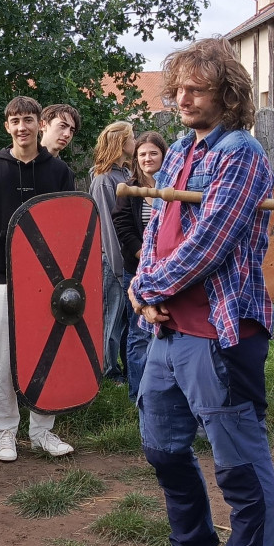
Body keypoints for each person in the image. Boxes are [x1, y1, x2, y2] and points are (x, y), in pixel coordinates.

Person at [126, 38, 274, 546]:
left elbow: (209, 243)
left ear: (228, 95)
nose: (184, 99)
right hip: (167, 331)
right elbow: (156, 227)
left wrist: (150, 288)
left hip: (219, 330)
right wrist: (144, 291)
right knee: (162, 446)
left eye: (198, 89)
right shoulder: (179, 152)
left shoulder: (241, 155)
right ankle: (192, 544)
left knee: (239, 464)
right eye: (179, 89)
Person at [0, 97, 77, 463]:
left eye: (28, 119)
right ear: (7, 126)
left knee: (47, 355)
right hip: (4, 278)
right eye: (15, 121)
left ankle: (41, 431)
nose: (21, 127)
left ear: (39, 124)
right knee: (3, 357)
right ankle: (6, 430)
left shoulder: (58, 171)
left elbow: (68, 227)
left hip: (49, 282)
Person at [111, 130, 167, 402]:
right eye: (142, 154)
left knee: (166, 328)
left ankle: (164, 391)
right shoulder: (128, 189)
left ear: (163, 156)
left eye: (153, 153)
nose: (147, 158)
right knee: (138, 333)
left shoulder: (175, 188)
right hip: (137, 270)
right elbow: (122, 226)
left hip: (168, 271)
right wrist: (143, 254)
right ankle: (139, 395)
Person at [90, 121, 136, 384]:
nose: (135, 142)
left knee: (129, 319)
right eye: (132, 137)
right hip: (111, 259)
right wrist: (118, 267)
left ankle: (129, 367)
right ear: (121, 142)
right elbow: (107, 227)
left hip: (127, 257)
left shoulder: (126, 174)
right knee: (112, 318)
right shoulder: (103, 179)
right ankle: (109, 371)